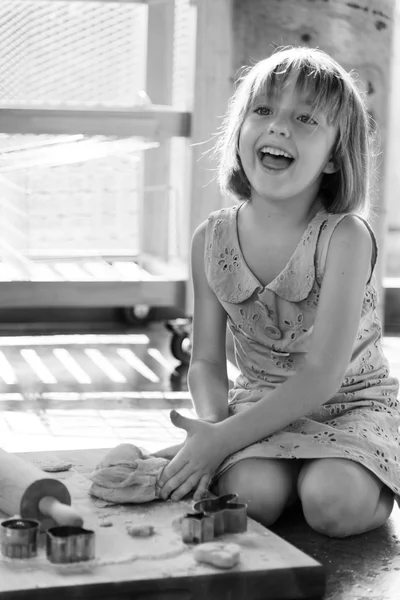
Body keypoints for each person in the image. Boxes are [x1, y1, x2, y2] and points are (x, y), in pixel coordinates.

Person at [156, 46, 400, 538]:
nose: (279, 127)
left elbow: (320, 377)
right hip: (260, 405)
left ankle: (361, 475)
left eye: (305, 118)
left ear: (333, 158)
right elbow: (204, 360)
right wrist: (212, 429)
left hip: (352, 406)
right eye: (263, 110)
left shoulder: (346, 238)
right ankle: (285, 472)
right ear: (240, 132)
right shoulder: (211, 238)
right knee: (251, 500)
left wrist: (224, 440)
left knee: (331, 505)